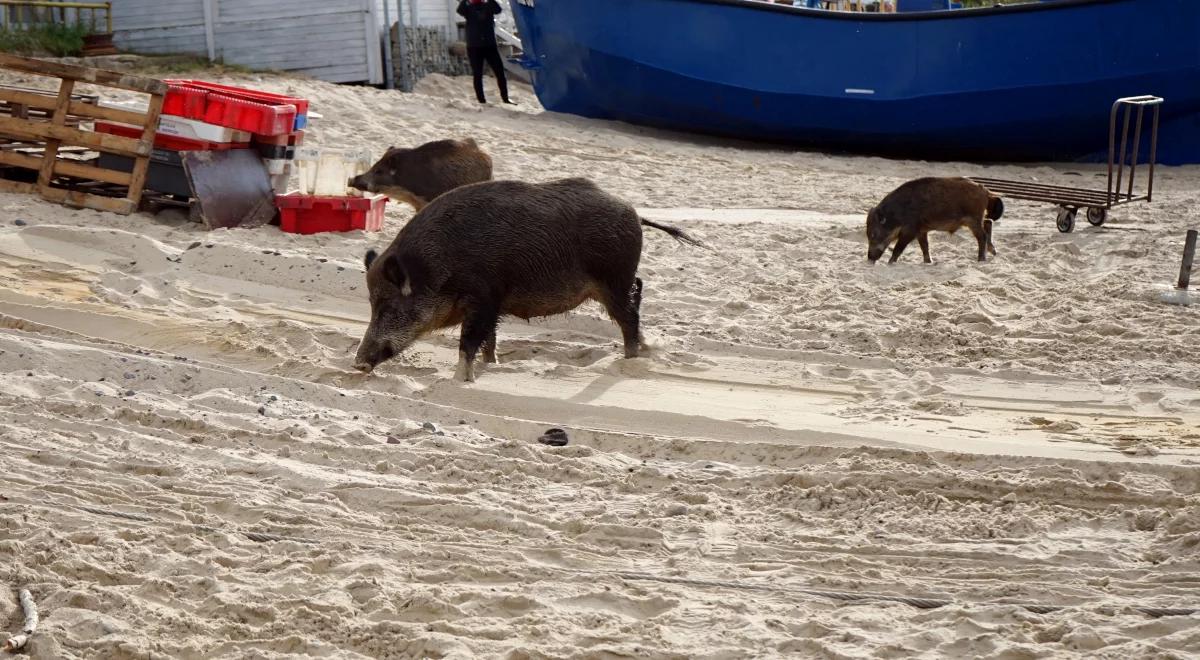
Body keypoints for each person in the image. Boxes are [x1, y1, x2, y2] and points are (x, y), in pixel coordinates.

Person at [456, 0, 514, 105]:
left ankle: (505, 98)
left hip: (490, 45)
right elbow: (460, 10)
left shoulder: (488, 5)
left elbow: (498, 10)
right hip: (474, 46)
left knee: (500, 72)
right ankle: (481, 100)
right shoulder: (468, 8)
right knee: (477, 74)